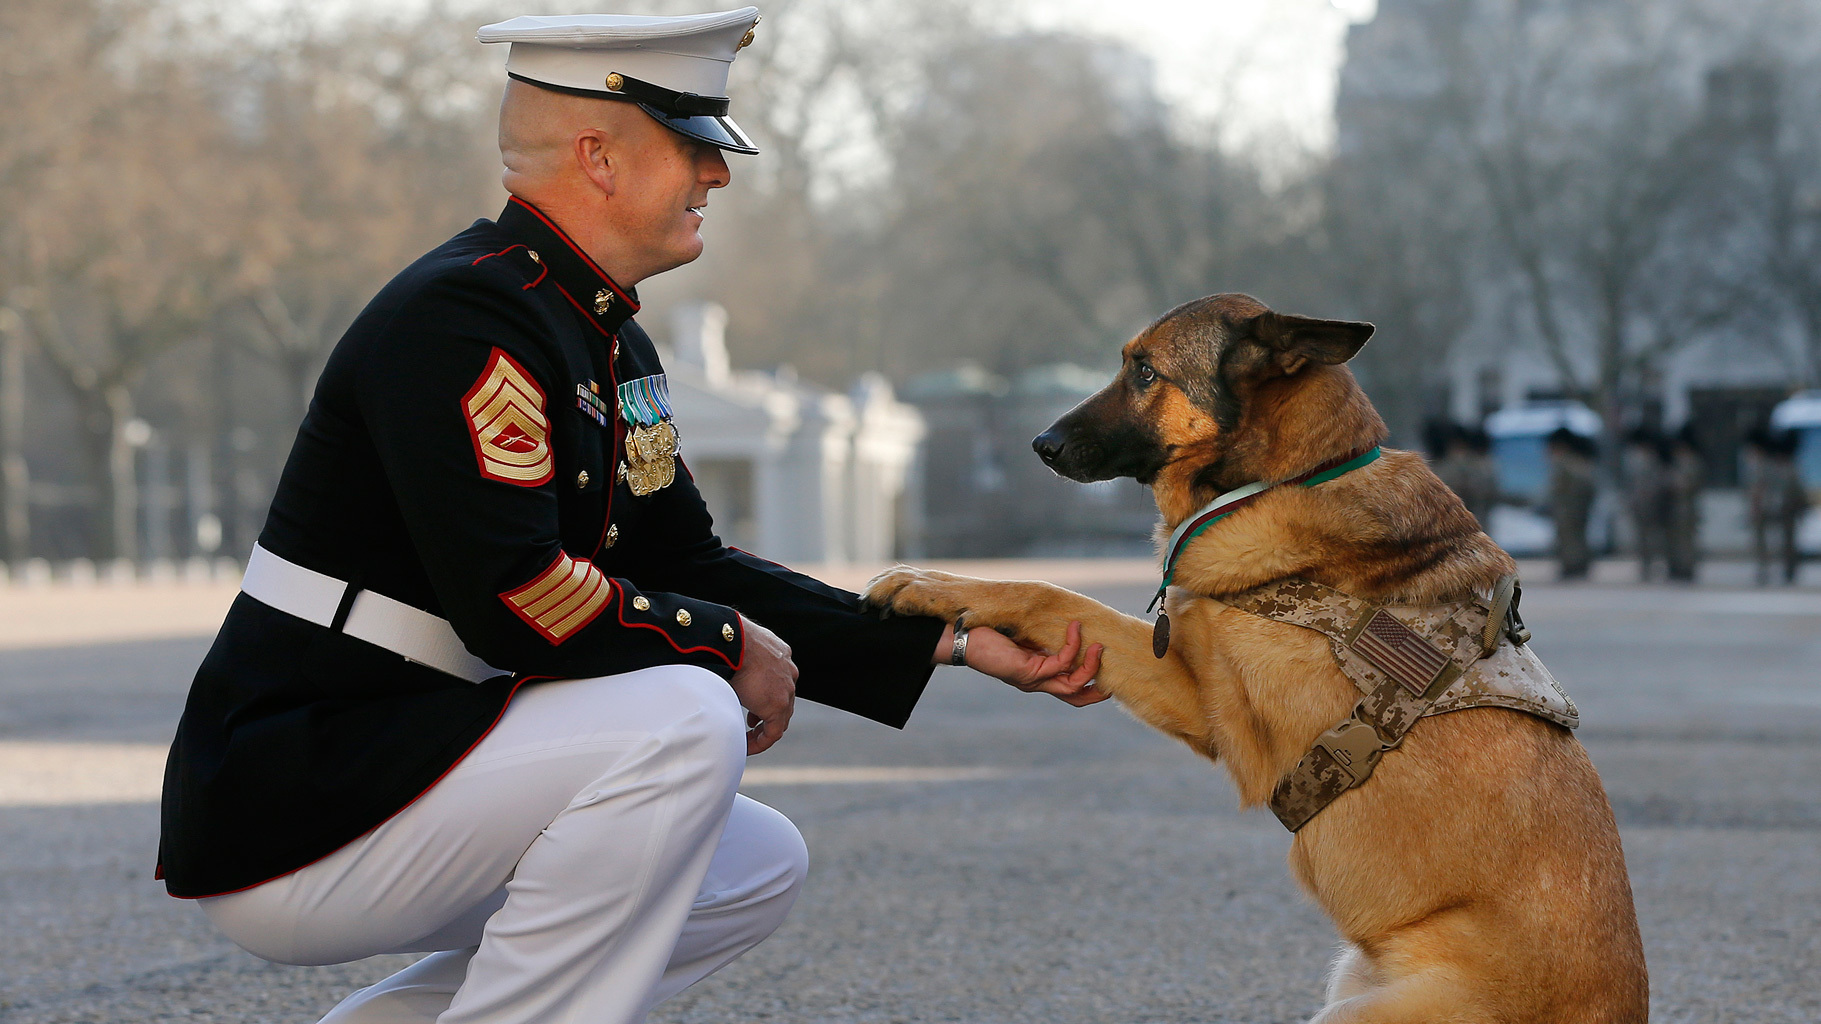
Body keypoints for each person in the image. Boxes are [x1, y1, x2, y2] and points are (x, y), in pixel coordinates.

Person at [157, 10, 1106, 1024]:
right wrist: (726, 643)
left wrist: (947, 639)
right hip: (306, 793)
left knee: (752, 865)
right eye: (693, 146)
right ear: (597, 157)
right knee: (684, 717)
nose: (718, 175)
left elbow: (686, 559)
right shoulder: (460, 318)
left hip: (414, 760)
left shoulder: (600, 335)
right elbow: (516, 594)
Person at [1746, 427, 1808, 585]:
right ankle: (1776, 567)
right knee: (1782, 540)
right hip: (1777, 506)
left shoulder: (1774, 466)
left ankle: (1781, 567)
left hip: (1785, 506)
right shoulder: (1780, 466)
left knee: (1785, 541)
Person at [1545, 427, 1597, 581]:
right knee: (1578, 538)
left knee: (1568, 539)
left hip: (1567, 508)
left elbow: (1558, 488)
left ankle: (1572, 566)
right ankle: (1580, 565)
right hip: (1579, 507)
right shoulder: (1581, 462)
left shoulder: (1564, 463)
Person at [1623, 428, 1670, 582]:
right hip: (1639, 503)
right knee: (1642, 537)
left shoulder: (1651, 460)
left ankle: (1651, 564)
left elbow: (1655, 483)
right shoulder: (1635, 460)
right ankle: (1645, 564)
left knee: (1651, 537)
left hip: (1650, 503)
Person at [1665, 424, 1704, 582]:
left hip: (1687, 507)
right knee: (1676, 540)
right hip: (1676, 507)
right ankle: (1678, 566)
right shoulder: (1679, 461)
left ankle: (1687, 567)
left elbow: (1689, 484)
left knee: (1687, 541)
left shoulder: (1692, 462)